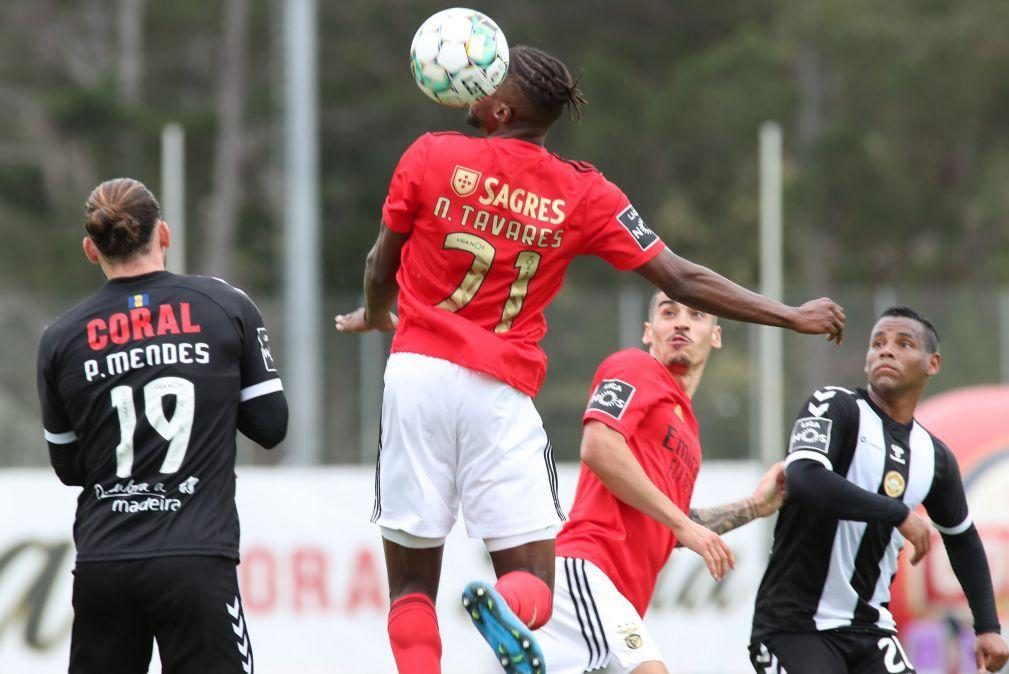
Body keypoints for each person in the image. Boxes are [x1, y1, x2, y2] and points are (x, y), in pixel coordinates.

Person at [334, 45, 845, 674]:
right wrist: (788, 315)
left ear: (500, 106)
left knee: (412, 583)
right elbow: (680, 277)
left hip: (415, 375)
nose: (472, 88)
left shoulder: (430, 154)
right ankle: (502, 603)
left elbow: (377, 267)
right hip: (499, 391)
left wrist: (379, 311)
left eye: (486, 81)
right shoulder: (583, 192)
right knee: (534, 587)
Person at [36, 178, 288, 674]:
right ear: (164, 234)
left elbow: (68, 467)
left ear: (91, 249)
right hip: (196, 559)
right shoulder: (225, 306)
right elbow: (270, 425)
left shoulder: (60, 338)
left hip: (103, 563)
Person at [536, 291, 787, 674]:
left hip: (618, 598)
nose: (682, 322)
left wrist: (755, 506)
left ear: (715, 335)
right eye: (669, 313)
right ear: (648, 332)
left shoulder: (689, 431)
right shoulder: (634, 367)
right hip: (588, 569)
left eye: (697, 314)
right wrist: (682, 525)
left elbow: (672, 524)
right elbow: (599, 445)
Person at [749, 306, 1009, 674]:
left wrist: (987, 627)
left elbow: (963, 540)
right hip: (796, 628)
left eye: (904, 344)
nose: (887, 350)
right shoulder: (834, 406)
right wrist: (897, 512)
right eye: (878, 343)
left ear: (932, 364)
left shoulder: (934, 456)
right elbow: (805, 478)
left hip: (871, 631)